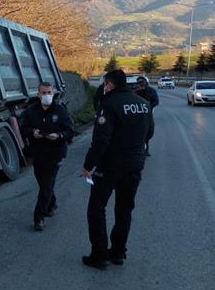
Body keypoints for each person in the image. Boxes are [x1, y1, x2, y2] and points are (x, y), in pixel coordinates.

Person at [81, 70, 154, 269]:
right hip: (135, 165)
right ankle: (118, 252)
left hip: (110, 166)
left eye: (105, 84)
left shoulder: (109, 105)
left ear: (109, 84)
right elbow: (150, 132)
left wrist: (88, 165)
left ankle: (99, 255)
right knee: (124, 209)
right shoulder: (143, 104)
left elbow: (101, 141)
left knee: (96, 209)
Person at [20, 82, 74, 231]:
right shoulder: (31, 111)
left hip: (55, 153)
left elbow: (70, 131)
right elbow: (23, 128)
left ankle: (39, 218)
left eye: (48, 92)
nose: (46, 96)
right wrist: (32, 133)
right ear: (38, 94)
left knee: (47, 185)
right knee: (43, 182)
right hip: (38, 153)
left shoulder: (60, 111)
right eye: (43, 93)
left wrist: (58, 135)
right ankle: (51, 204)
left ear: (53, 93)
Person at [135, 76, 158, 156]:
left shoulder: (151, 91)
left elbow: (156, 101)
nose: (140, 85)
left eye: (141, 83)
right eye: (139, 83)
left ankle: (146, 148)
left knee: (148, 131)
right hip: (135, 115)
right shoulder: (134, 92)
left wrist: (149, 107)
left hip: (147, 115)